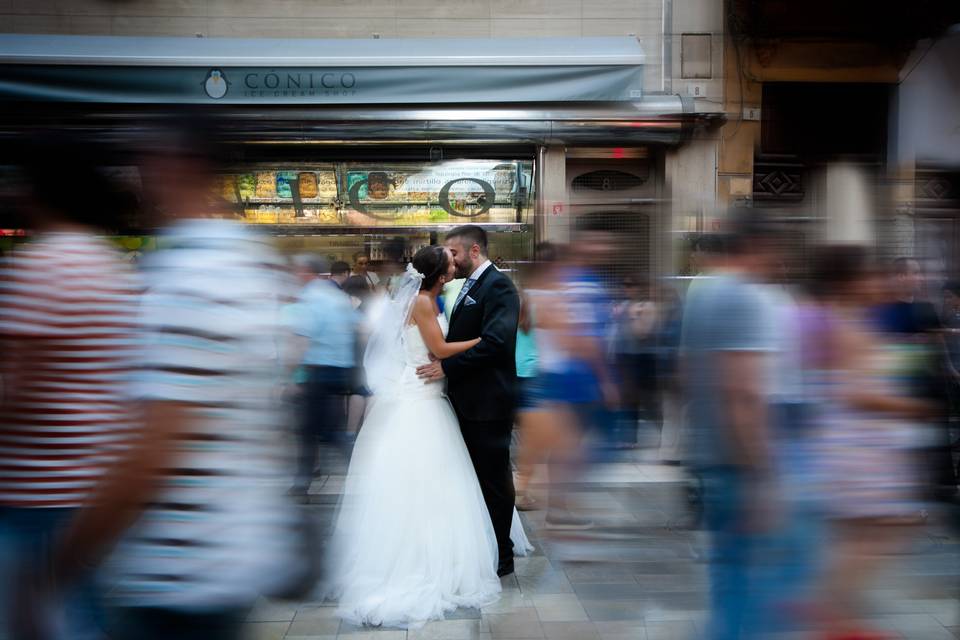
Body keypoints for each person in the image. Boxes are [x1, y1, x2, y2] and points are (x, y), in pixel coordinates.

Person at [15, 119, 298, 640]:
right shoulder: (243, 261)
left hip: (178, 566)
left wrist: (59, 564)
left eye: (143, 163)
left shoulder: (191, 275)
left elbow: (156, 443)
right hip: (225, 550)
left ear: (175, 168)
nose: (133, 179)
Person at [0, 134, 140, 640]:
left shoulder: (39, 265)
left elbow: (16, 391)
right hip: (96, 483)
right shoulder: (108, 266)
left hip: (37, 492)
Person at [327, 246, 501, 628]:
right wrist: (483, 342)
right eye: (451, 260)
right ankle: (422, 562)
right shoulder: (423, 302)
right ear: (440, 275)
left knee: (426, 481)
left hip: (422, 392)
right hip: (420, 399)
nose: (456, 263)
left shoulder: (425, 299)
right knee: (428, 480)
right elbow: (437, 349)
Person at [808, 246, 930, 639]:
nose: (880, 282)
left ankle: (833, 610)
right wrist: (912, 407)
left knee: (864, 529)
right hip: (860, 442)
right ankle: (831, 612)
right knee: (886, 524)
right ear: (849, 283)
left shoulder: (849, 321)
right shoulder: (847, 326)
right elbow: (855, 393)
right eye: (871, 276)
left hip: (859, 439)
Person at [416, 225, 522, 576]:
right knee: (474, 479)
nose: (451, 260)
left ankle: (501, 556)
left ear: (473, 250)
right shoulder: (467, 285)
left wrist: (447, 366)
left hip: (488, 402)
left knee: (494, 480)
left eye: (455, 253)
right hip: (465, 401)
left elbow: (495, 343)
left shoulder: (499, 286)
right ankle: (483, 546)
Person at [291, 260, 358, 493]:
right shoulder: (338, 298)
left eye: (298, 270)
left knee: (312, 430)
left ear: (307, 272)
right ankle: (303, 479)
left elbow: (302, 339)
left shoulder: (310, 298)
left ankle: (302, 482)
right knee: (327, 428)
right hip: (341, 371)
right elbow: (356, 328)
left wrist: (291, 375)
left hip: (317, 371)